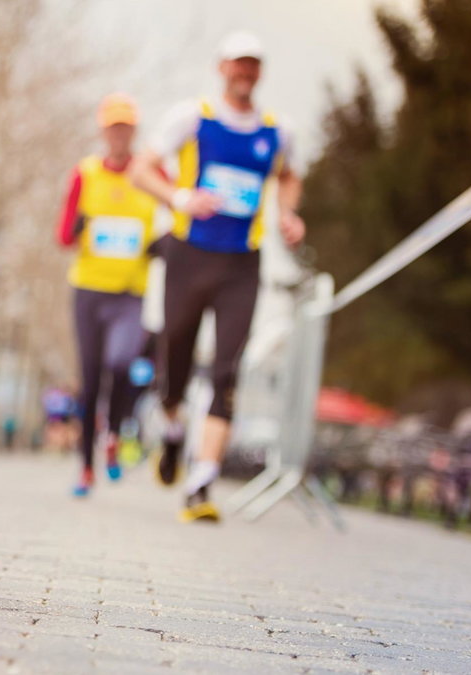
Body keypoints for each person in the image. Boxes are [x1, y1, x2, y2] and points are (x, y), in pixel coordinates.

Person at [130, 31, 306, 522]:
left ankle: (201, 483)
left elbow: (290, 176)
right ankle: (171, 431)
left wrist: (287, 213)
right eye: (237, 64)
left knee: (227, 370)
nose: (245, 72)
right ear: (222, 68)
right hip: (189, 256)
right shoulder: (194, 118)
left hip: (241, 264)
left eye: (253, 65)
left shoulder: (277, 132)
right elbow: (142, 170)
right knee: (175, 370)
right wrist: (181, 199)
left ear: (260, 72)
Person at [56, 93, 158, 497]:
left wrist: (161, 243)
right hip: (88, 290)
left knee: (121, 362)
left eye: (126, 127)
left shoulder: (152, 172)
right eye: (113, 127)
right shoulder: (85, 173)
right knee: (91, 375)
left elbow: (177, 210)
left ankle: (113, 434)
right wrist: (79, 226)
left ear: (134, 132)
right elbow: (63, 236)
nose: (119, 134)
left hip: (130, 293)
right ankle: (85, 468)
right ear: (103, 131)